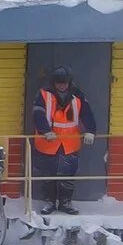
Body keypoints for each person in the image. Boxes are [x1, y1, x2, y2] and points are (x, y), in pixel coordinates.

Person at [29, 66, 93, 212]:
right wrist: (46, 131)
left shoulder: (78, 96)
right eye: (59, 82)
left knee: (68, 175)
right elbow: (38, 114)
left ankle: (65, 203)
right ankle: (49, 202)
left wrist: (90, 131)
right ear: (53, 82)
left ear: (70, 82)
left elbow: (87, 114)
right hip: (48, 142)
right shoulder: (44, 94)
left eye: (64, 82)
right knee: (48, 175)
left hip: (70, 144)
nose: (62, 85)